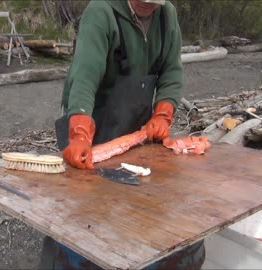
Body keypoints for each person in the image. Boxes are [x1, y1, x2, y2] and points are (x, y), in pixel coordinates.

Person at [49, 1, 206, 269]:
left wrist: (163, 113)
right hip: (90, 120)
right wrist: (79, 132)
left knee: (133, 211)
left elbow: (171, 70)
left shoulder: (166, 16)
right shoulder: (101, 13)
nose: (148, 6)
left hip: (134, 128)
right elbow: (85, 75)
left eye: (153, 3)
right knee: (82, 212)